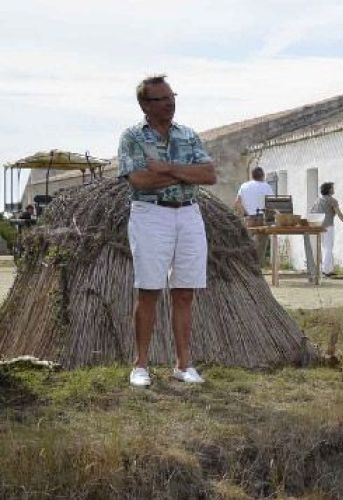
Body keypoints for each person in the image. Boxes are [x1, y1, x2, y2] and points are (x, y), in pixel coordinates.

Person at [117, 75, 218, 386]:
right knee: (148, 290)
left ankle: (183, 365)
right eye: (162, 98)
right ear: (145, 104)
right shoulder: (132, 137)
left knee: (185, 292)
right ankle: (141, 366)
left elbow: (210, 174)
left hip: (188, 215)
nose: (170, 102)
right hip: (151, 215)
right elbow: (139, 181)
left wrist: (166, 169)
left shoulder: (188, 134)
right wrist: (186, 174)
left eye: (172, 95)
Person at [310, 182, 343, 277]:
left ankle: (329, 269)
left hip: (319, 226)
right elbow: (338, 212)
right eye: (332, 188)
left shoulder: (318, 200)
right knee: (328, 247)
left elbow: (312, 212)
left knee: (325, 247)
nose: (334, 189)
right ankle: (326, 270)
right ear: (329, 190)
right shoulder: (332, 200)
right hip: (328, 226)